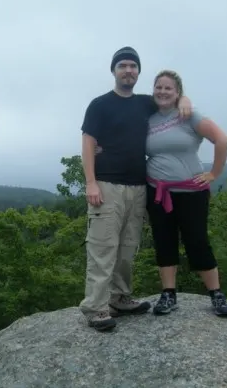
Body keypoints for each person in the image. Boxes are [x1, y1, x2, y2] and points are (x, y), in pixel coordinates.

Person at [78, 47, 193, 331]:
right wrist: (91, 182)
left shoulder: (145, 103)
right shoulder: (99, 105)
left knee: (128, 248)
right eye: (123, 66)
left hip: (138, 187)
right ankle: (95, 307)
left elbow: (170, 97)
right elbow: (88, 143)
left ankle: (119, 297)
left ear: (138, 72)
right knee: (103, 248)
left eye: (133, 66)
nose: (128, 70)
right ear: (114, 70)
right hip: (106, 185)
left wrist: (186, 97)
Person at [145, 69, 227, 317]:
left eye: (168, 88)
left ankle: (215, 294)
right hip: (158, 191)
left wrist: (214, 173)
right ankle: (168, 294)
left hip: (191, 192)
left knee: (197, 241)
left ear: (178, 92)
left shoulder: (188, 115)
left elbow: (222, 139)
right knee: (164, 241)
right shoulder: (148, 118)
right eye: (158, 87)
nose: (162, 91)